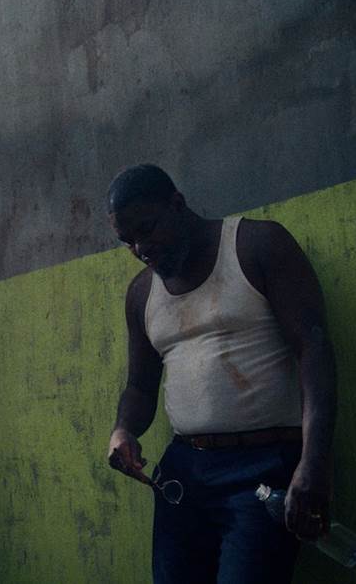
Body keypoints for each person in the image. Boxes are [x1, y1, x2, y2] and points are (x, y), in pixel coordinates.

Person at [104, 164, 336, 583]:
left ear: (177, 204)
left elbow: (313, 349)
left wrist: (314, 461)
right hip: (182, 475)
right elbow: (140, 387)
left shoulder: (256, 246)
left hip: (263, 468)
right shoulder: (141, 293)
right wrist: (123, 431)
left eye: (147, 229)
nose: (140, 248)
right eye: (128, 241)